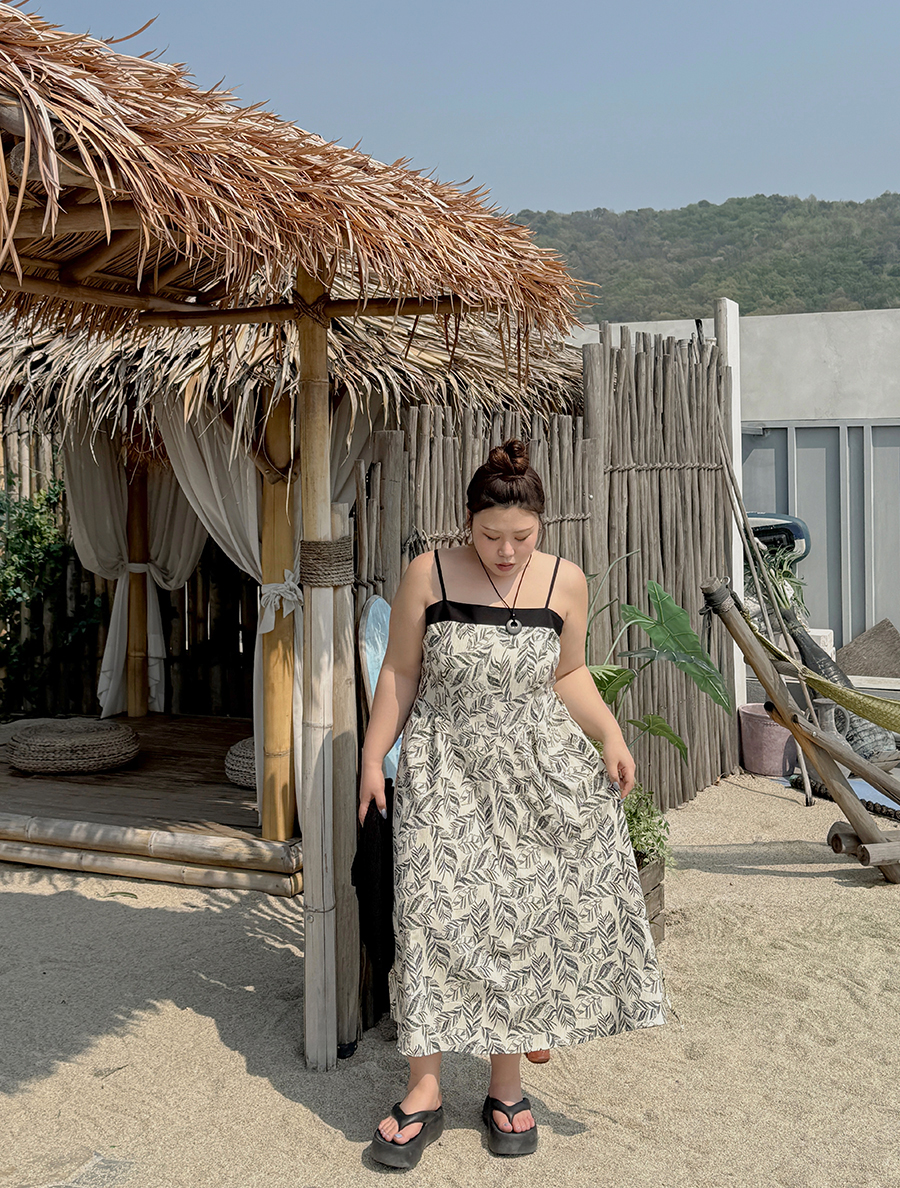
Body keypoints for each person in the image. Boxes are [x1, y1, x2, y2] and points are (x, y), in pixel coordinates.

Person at [359, 439, 667, 1168]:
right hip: (444, 768)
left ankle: (505, 1084)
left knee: (521, 919)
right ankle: (424, 1088)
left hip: (537, 775)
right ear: (468, 521)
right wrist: (373, 757)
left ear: (541, 526)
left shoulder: (565, 581)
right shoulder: (428, 574)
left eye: (521, 537)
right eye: (491, 535)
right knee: (433, 914)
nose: (505, 551)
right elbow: (401, 671)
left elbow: (569, 673)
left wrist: (610, 735)